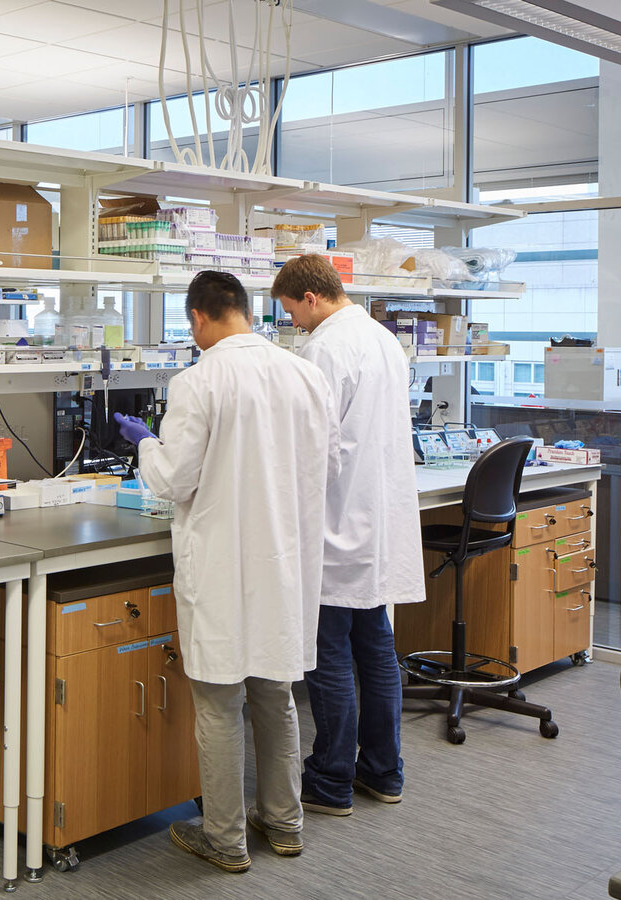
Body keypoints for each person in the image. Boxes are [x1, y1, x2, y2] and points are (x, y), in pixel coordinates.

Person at [114, 270, 336, 873]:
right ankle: (285, 825)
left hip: (222, 564)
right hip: (284, 563)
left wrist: (143, 445)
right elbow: (324, 460)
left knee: (217, 704)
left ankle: (225, 839)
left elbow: (170, 479)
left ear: (198, 318)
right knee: (277, 696)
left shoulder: (199, 379)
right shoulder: (306, 374)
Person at [273, 254, 424, 817]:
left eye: (292, 313)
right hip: (377, 522)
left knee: (328, 654)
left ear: (311, 298)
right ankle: (384, 772)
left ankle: (331, 780)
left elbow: (316, 447)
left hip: (337, 525)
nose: (294, 324)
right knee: (377, 650)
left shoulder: (324, 348)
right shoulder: (384, 339)